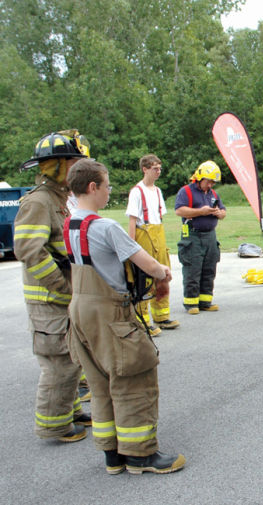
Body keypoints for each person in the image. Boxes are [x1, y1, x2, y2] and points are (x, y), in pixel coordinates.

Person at [64, 159, 185, 475]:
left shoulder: (70, 225)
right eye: (106, 186)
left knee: (100, 382)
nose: (108, 192)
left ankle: (112, 454)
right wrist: (163, 273)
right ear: (93, 187)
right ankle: (140, 455)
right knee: (134, 379)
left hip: (79, 312)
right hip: (110, 313)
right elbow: (148, 263)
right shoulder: (105, 227)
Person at [14, 130, 91, 443]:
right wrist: (60, 285)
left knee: (71, 359)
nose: (77, 169)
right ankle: (54, 425)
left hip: (62, 296)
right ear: (58, 165)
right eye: (73, 163)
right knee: (59, 363)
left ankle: (68, 411)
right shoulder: (39, 202)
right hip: (49, 298)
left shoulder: (60, 199)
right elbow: (28, 249)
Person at [125, 154, 179, 334]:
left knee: (163, 275)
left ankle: (162, 316)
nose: (158, 172)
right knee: (144, 278)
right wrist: (131, 246)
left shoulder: (157, 191)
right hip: (143, 235)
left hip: (158, 235)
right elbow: (132, 220)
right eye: (155, 168)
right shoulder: (136, 192)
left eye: (160, 169)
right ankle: (143, 320)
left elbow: (159, 216)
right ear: (145, 169)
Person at [174, 161, 226, 314]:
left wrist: (219, 213)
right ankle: (191, 303)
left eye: (213, 182)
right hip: (193, 235)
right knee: (193, 269)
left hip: (210, 236)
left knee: (209, 268)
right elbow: (179, 210)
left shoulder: (213, 194)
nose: (210, 185)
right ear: (199, 177)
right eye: (208, 181)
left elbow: (223, 211)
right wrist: (201, 212)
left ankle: (205, 301)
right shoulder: (186, 192)